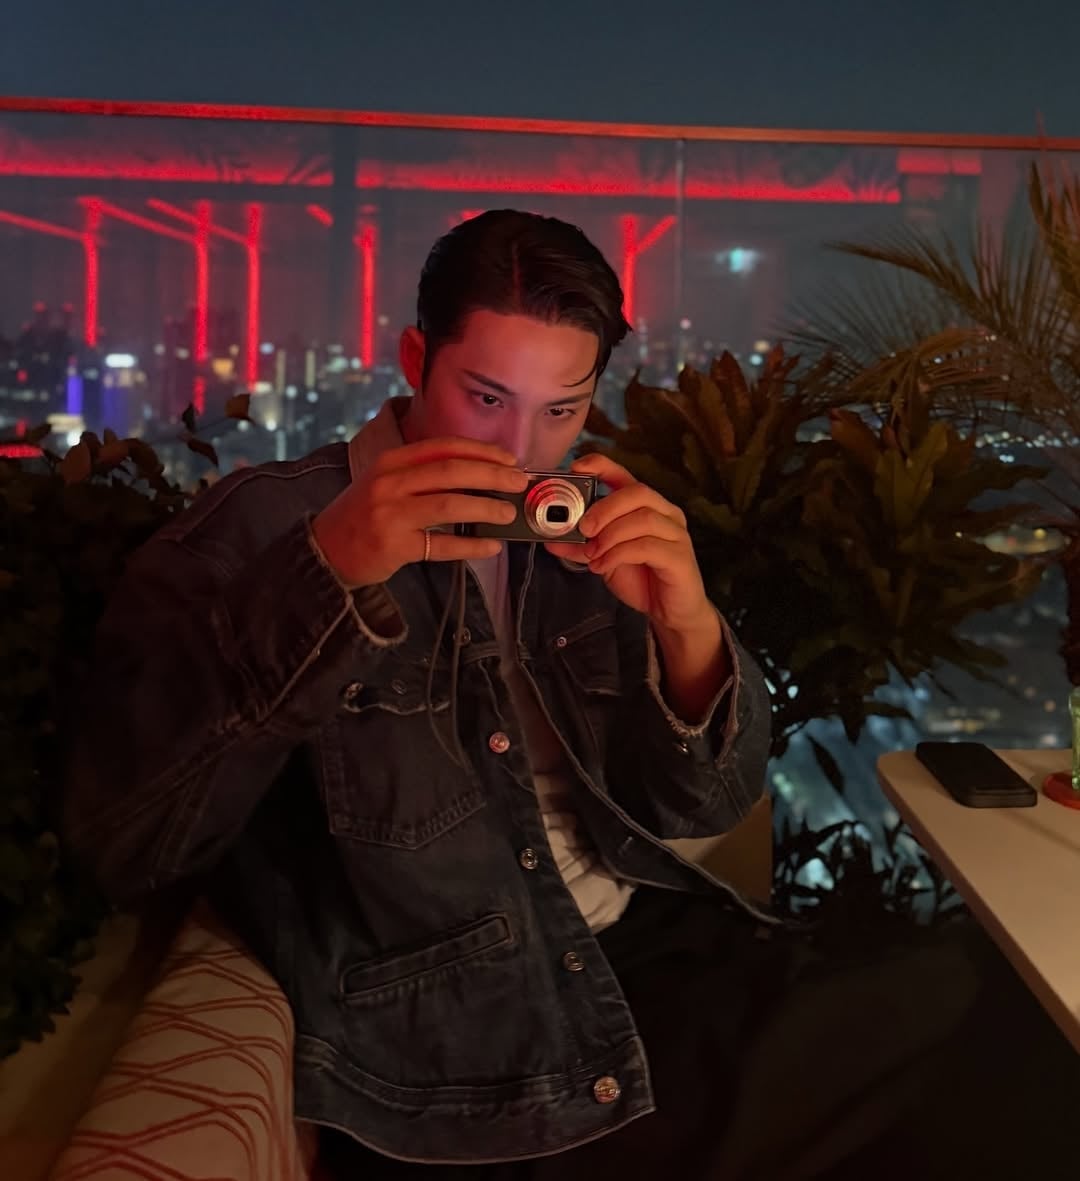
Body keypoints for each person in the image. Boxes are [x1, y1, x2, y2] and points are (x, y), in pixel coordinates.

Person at [63, 210, 999, 1179]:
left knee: (975, 1004)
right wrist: (329, 574)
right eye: (486, 397)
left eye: (561, 409)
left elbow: (706, 807)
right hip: (462, 1042)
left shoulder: (580, 528)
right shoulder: (263, 527)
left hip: (640, 953)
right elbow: (125, 839)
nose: (520, 450)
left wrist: (687, 627)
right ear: (415, 360)